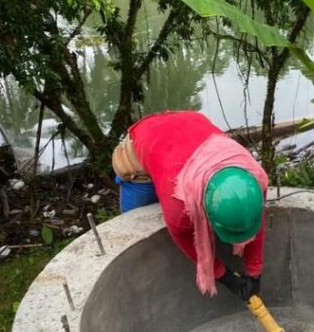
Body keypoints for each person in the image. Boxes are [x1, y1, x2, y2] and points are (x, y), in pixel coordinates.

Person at [111, 110, 267, 301]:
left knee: (164, 173)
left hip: (188, 126)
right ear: (205, 212)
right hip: (145, 142)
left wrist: (254, 272)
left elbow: (254, 218)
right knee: (134, 222)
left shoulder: (255, 180)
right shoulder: (180, 209)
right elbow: (185, 240)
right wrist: (224, 277)